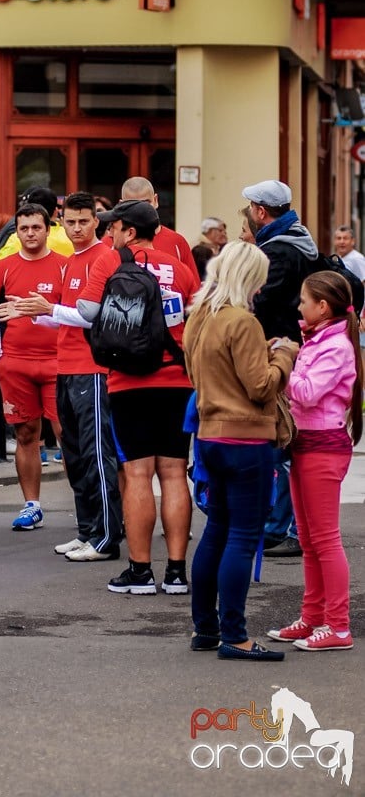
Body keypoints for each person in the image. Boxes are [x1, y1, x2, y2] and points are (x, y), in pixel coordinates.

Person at [183, 240, 298, 661]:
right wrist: (283, 354)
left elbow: (203, 373)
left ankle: (206, 629)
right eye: (259, 282)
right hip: (246, 439)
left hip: (210, 435)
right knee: (244, 536)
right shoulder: (242, 322)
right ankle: (236, 634)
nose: (261, 290)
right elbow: (261, 386)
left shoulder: (200, 317)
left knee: (216, 530)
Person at [77, 200, 197, 595]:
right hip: (178, 380)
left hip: (130, 382)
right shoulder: (178, 267)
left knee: (138, 474)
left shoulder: (110, 261)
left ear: (128, 231)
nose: (109, 234)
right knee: (175, 473)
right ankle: (177, 572)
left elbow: (88, 311)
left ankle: (141, 571)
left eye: (114, 228)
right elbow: (195, 318)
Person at [8, 192, 123, 560]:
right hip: (66, 366)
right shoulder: (73, 260)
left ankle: (105, 538)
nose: (76, 228)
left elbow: (91, 315)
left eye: (83, 222)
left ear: (96, 222)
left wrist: (48, 308)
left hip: (92, 368)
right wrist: (29, 311)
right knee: (73, 455)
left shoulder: (104, 257)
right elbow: (65, 314)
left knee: (96, 456)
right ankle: (88, 531)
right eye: (70, 222)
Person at [267, 271, 361, 651]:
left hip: (324, 447)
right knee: (307, 539)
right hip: (305, 445)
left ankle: (338, 626)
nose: (299, 306)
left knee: (324, 540)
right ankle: (313, 617)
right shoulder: (318, 338)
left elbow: (305, 392)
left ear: (323, 306)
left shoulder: (336, 347)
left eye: (304, 300)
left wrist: (282, 362)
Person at [243, 178, 319, 559]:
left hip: (282, 348)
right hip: (293, 346)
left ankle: (283, 527)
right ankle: (282, 525)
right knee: (283, 440)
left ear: (260, 211)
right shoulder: (300, 237)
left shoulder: (279, 250)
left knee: (282, 439)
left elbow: (261, 298)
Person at [0, 203, 65, 530]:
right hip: (15, 363)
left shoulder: (63, 266)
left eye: (36, 227)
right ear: (16, 231)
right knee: (26, 434)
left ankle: (87, 504)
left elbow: (74, 316)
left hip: (58, 363)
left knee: (67, 435)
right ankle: (32, 505)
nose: (30, 234)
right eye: (23, 228)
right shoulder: (3, 266)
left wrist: (39, 313)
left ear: (47, 229)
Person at [119, 177, 201, 285]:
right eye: (132, 204)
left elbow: (193, 289)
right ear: (121, 205)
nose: (140, 210)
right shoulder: (113, 242)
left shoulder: (177, 242)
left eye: (146, 203)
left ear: (156, 200)